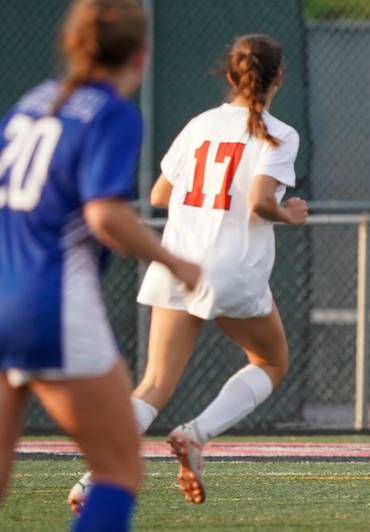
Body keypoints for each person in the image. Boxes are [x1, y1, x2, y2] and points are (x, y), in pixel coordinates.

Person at [68, 33, 308, 509]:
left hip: (180, 261)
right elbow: (261, 200)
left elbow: (160, 193)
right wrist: (289, 213)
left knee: (154, 385)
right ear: (278, 76)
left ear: (231, 74)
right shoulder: (279, 133)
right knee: (272, 363)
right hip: (231, 267)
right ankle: (197, 433)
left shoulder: (201, 124)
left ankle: (90, 480)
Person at [0, 0, 202, 530]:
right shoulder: (111, 112)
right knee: (117, 470)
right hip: (51, 304)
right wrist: (173, 261)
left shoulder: (29, 104)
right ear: (142, 55)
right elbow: (104, 214)